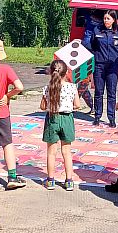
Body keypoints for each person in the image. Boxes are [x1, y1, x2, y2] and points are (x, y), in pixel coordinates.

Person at [0, 39, 25, 192]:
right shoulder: (6, 69)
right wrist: (8, 95)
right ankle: (12, 177)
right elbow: (19, 87)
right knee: (7, 144)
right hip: (2, 112)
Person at [40, 59, 80, 190]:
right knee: (66, 152)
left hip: (52, 118)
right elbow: (77, 105)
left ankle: (50, 180)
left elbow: (42, 106)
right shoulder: (72, 87)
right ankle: (69, 181)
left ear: (51, 72)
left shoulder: (47, 88)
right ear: (67, 72)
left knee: (51, 152)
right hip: (67, 118)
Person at [83, 9, 118, 127]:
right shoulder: (97, 29)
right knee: (99, 92)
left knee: (111, 93)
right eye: (104, 18)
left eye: (108, 19)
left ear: (114, 19)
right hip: (99, 65)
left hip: (113, 66)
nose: (106, 21)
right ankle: (97, 116)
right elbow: (91, 44)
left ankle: (111, 118)